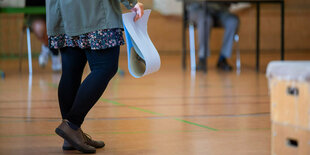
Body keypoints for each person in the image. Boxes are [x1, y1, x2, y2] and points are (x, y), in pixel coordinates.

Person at [46, 0, 144, 153]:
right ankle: (72, 125)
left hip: (62, 10)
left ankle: (71, 137)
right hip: (94, 11)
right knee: (105, 66)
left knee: (71, 71)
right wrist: (131, 2)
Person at [187, 2, 239, 72]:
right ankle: (202, 57)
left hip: (219, 10)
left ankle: (223, 58)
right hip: (198, 9)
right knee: (205, 20)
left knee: (233, 21)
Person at [25, 0, 61, 72]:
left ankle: (47, 47)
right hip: (34, 9)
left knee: (59, 23)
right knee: (40, 27)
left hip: (53, 8)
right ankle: (54, 51)